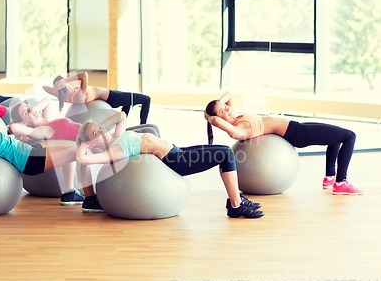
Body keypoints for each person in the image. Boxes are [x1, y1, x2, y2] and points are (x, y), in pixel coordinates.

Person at [75, 111, 265, 218]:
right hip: (175, 161)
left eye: (100, 129)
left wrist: (99, 126)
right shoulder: (112, 152)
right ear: (91, 144)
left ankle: (235, 200)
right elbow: (82, 159)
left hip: (177, 150)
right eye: (95, 134)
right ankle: (236, 205)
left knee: (223, 151)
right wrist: (83, 144)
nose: (101, 132)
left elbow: (121, 115)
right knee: (226, 153)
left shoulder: (116, 138)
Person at [204, 91, 363, 195]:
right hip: (297, 134)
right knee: (350, 136)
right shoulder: (239, 128)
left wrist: (217, 107)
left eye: (225, 107)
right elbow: (231, 131)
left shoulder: (236, 116)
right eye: (223, 111)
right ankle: (341, 182)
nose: (228, 109)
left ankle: (330, 178)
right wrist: (211, 119)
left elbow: (229, 94)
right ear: (219, 119)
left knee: (336, 135)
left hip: (296, 126)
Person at [42, 72, 151, 125]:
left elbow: (45, 88)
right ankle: (143, 126)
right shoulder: (79, 95)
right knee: (146, 99)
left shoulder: (65, 97)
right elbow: (84, 75)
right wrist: (66, 80)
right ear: (64, 84)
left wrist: (55, 88)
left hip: (109, 98)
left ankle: (122, 126)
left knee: (128, 104)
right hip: (112, 98)